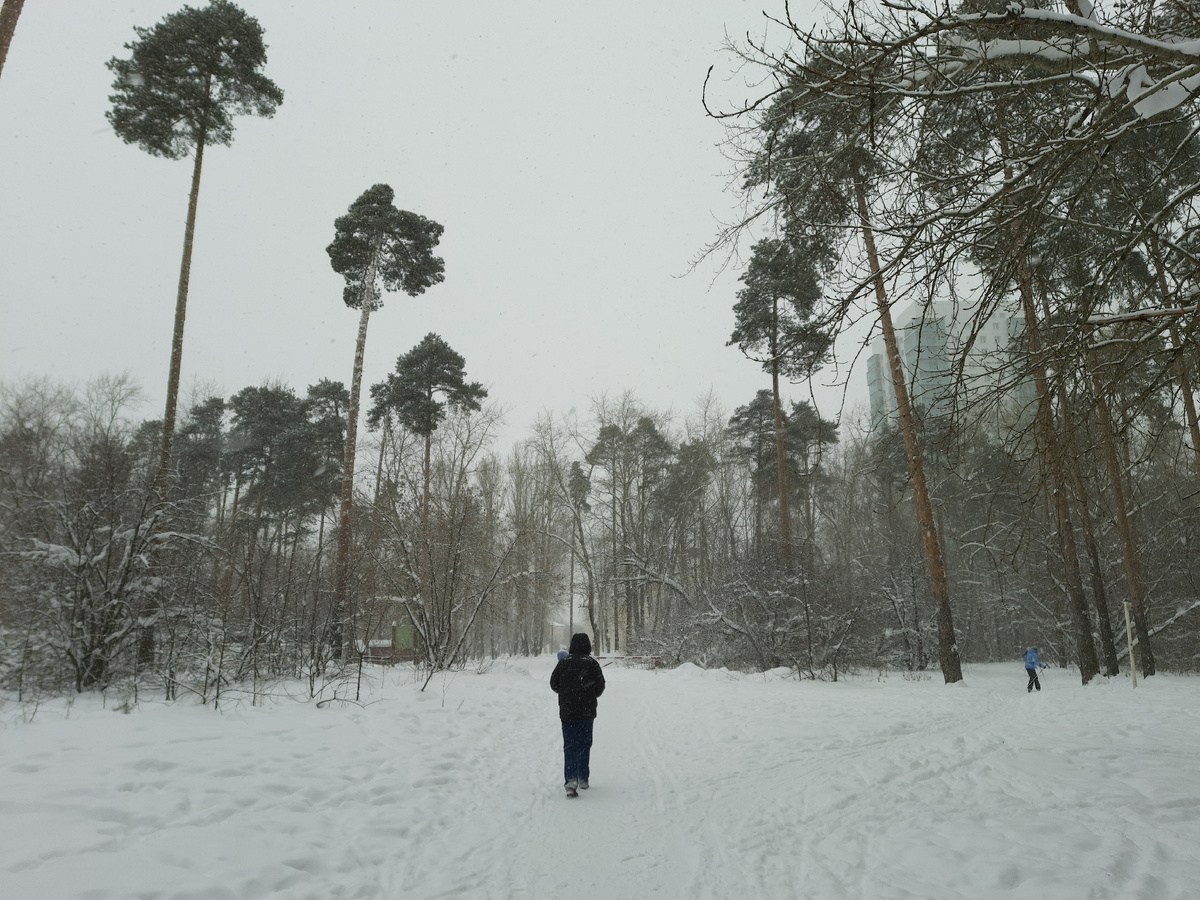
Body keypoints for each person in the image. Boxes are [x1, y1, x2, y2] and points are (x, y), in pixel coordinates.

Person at [550, 632, 605, 797]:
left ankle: (570, 781)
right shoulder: (592, 664)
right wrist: (589, 693)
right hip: (587, 712)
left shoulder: (563, 663)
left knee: (570, 746)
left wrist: (566, 693)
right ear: (588, 646)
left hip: (567, 712)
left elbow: (554, 684)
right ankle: (583, 778)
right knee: (584, 744)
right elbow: (600, 686)